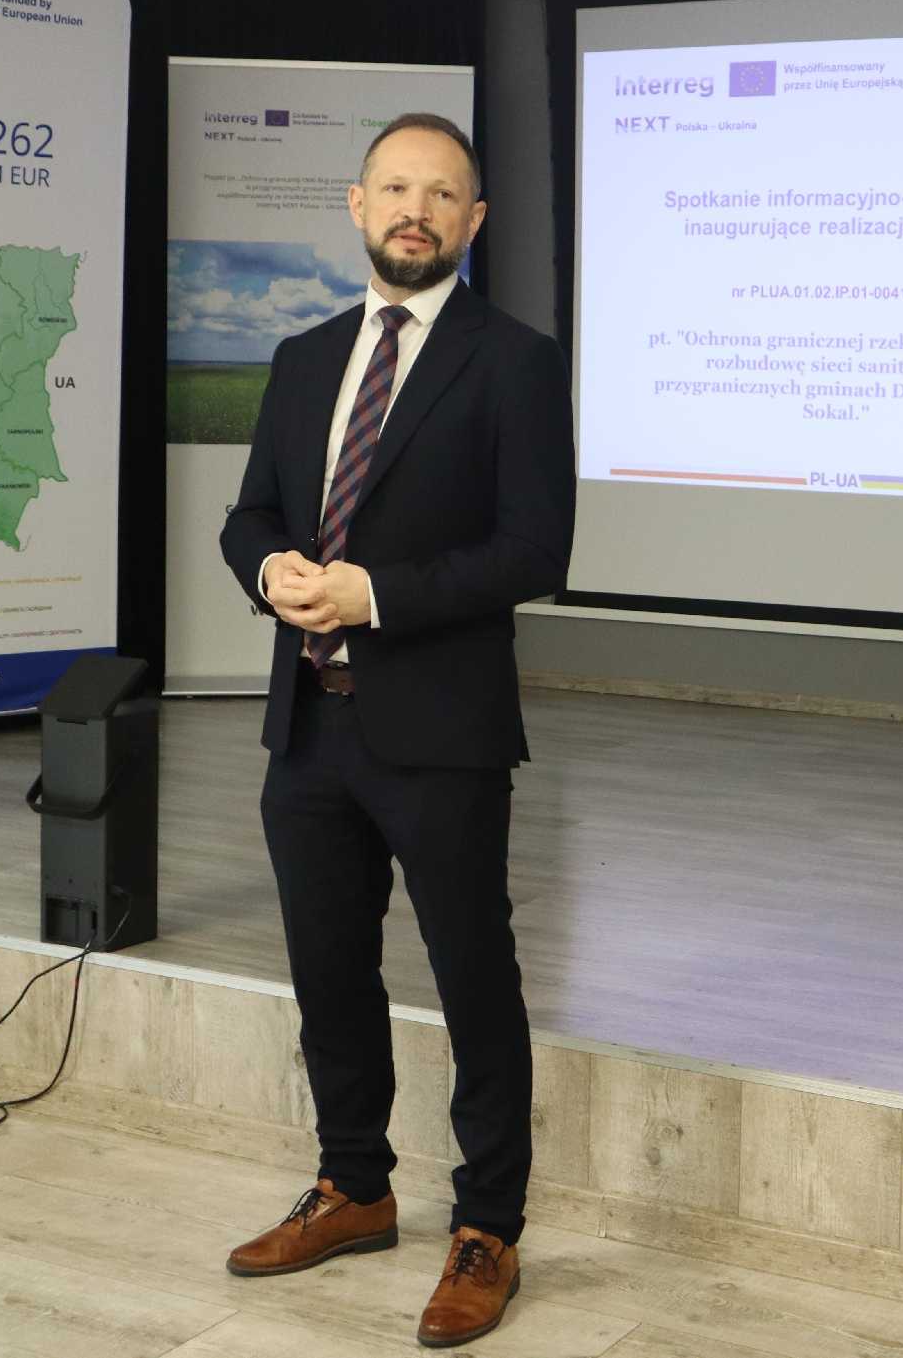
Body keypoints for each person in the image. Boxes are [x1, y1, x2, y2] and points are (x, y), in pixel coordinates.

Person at [217, 112, 575, 1348]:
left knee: (474, 979)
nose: (417, 210)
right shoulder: (302, 356)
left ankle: (489, 1228)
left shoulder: (514, 362)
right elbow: (251, 514)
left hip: (444, 732)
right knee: (328, 971)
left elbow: (536, 551)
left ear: (474, 221)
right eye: (397, 188)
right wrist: (267, 566)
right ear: (357, 204)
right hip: (309, 727)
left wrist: (375, 595)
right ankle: (355, 1187)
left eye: (443, 193)